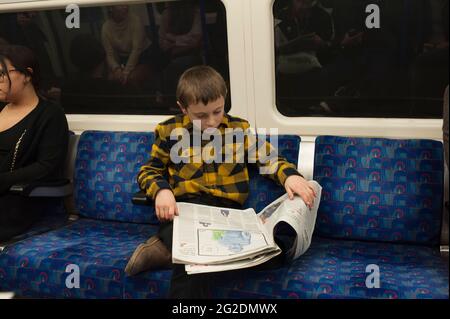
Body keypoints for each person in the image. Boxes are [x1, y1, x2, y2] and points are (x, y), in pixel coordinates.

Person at [125, 65, 316, 298]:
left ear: (224, 101)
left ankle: (166, 250)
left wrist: (291, 175)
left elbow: (268, 158)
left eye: (218, 111)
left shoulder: (239, 129)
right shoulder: (169, 131)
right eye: (201, 116)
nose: (212, 121)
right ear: (183, 108)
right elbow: (149, 170)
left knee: (275, 253)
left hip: (228, 214)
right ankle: (175, 250)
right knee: (194, 264)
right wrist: (162, 191)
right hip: (186, 211)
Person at [0, 45, 69, 242]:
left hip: (18, 199)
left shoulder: (49, 115)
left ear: (27, 75)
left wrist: (2, 180)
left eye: (3, 73)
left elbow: (46, 166)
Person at [101, 5, 153, 88]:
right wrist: (116, 69)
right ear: (111, 8)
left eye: (126, 3)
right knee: (111, 78)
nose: (125, 7)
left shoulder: (135, 21)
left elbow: (136, 49)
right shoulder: (106, 27)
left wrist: (126, 73)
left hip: (143, 56)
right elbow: (109, 53)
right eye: (121, 5)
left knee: (132, 78)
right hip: (123, 59)